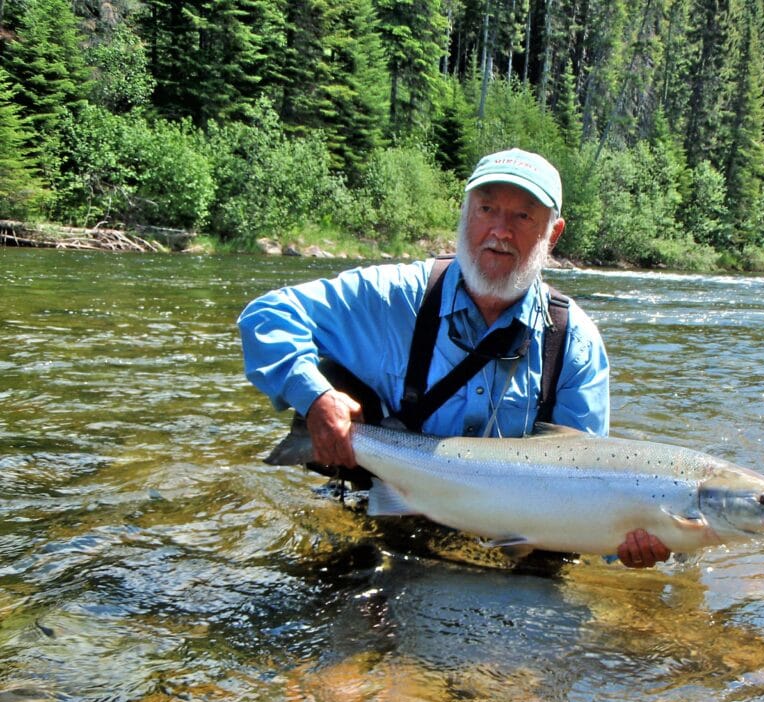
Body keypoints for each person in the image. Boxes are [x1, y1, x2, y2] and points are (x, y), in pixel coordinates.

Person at [238, 147, 669, 568]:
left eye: (523, 216)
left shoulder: (575, 343)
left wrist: (628, 542)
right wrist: (313, 397)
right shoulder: (394, 296)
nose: (500, 230)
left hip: (509, 547)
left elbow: (590, 486)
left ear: (553, 234)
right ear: (464, 213)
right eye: (486, 209)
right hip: (392, 518)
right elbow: (267, 315)